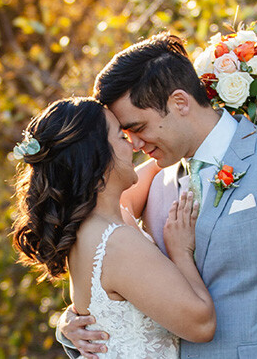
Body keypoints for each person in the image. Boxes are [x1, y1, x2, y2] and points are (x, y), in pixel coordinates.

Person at [58, 33, 257, 358]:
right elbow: (107, 260)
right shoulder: (155, 184)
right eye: (125, 134)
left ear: (180, 103)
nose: (134, 144)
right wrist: (72, 323)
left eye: (138, 127)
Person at [11, 97, 217, 358]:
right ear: (97, 155)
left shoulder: (96, 222)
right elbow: (202, 325)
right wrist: (180, 252)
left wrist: (183, 140)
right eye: (121, 136)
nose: (133, 144)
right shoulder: (117, 243)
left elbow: (149, 172)